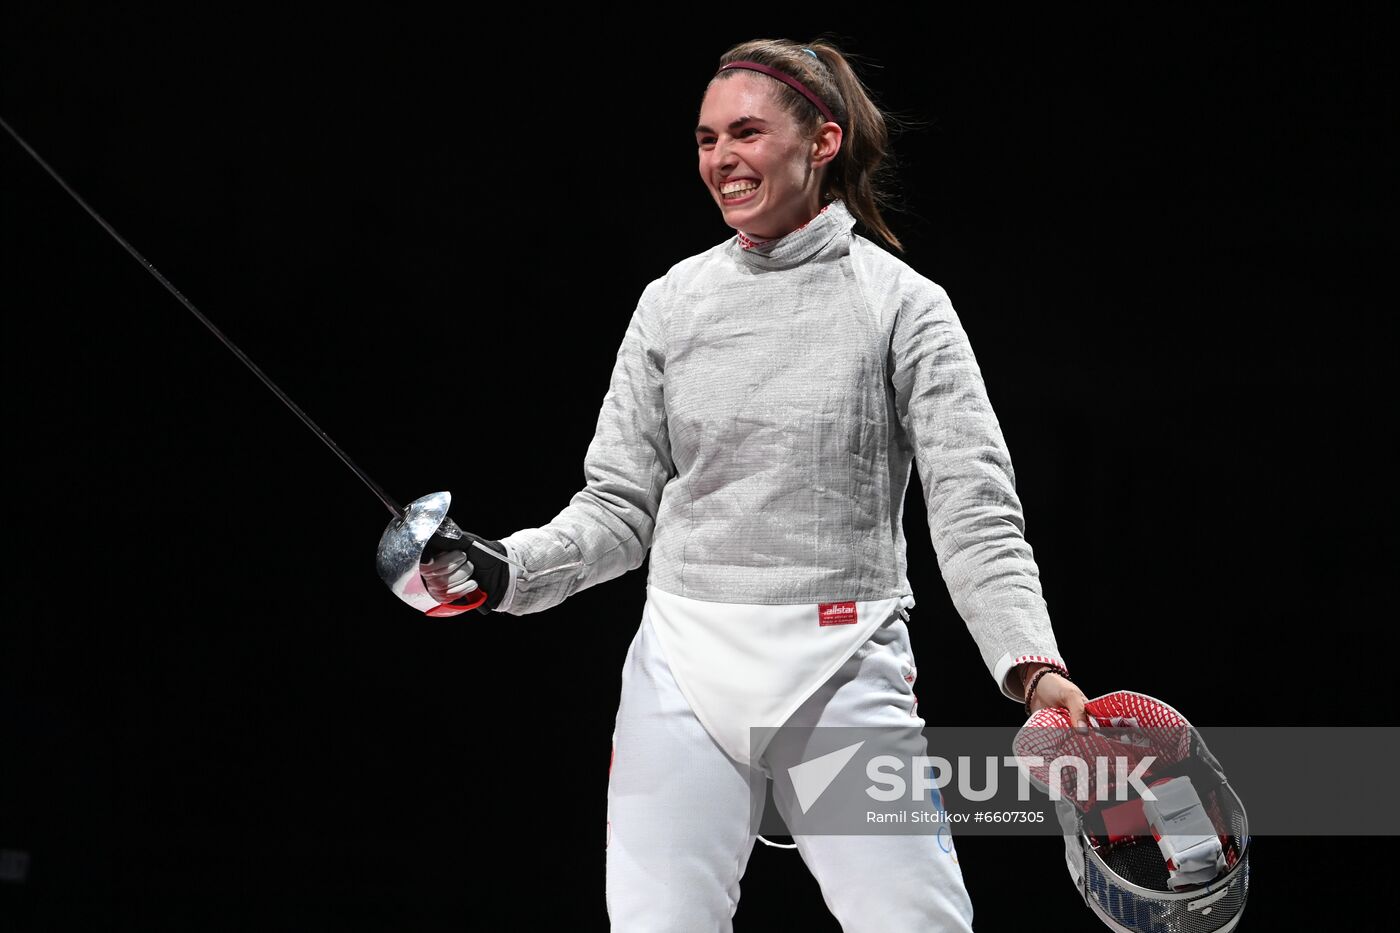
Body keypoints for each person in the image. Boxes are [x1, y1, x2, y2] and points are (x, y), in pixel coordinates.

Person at [418, 38, 1090, 931]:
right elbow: (619, 507)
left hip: (841, 668)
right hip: (682, 666)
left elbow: (974, 508)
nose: (721, 160)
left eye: (744, 133)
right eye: (705, 139)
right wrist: (509, 568)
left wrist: (1032, 664)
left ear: (821, 142)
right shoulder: (673, 302)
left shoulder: (902, 305)